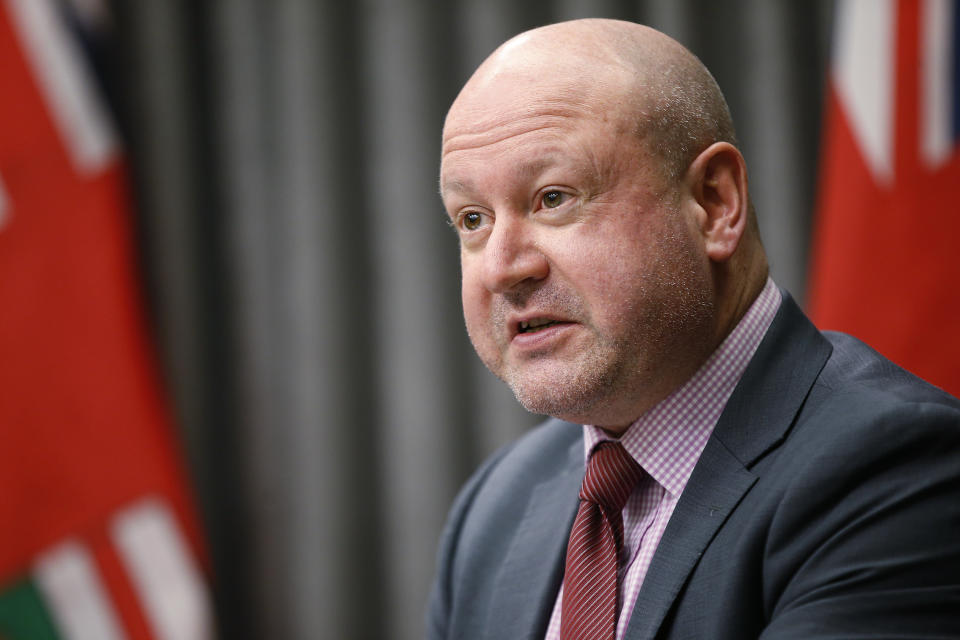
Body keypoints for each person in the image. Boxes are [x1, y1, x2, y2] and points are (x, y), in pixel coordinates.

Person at [427, 18, 960, 640]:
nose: (502, 267)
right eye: (472, 219)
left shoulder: (894, 470)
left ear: (713, 203)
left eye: (553, 198)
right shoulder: (496, 505)